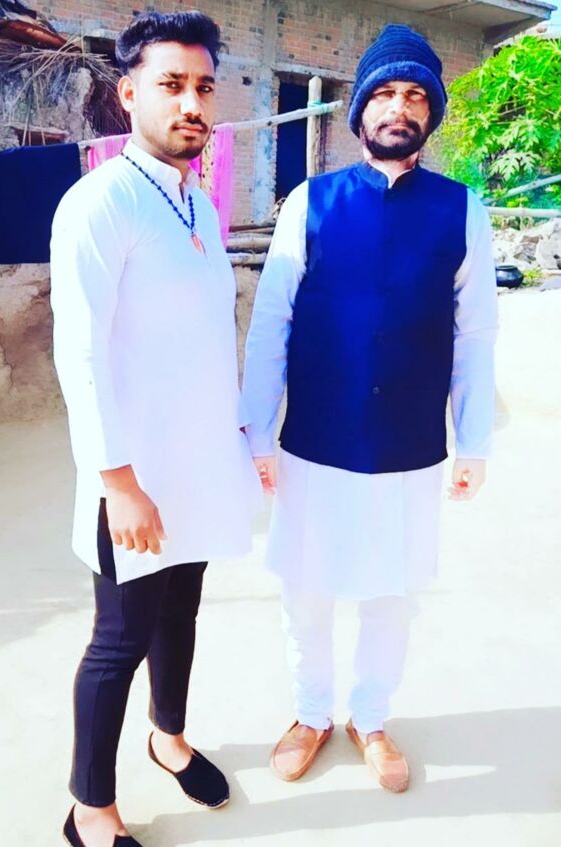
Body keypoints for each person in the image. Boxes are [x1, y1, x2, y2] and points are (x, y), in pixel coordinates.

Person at [242, 23, 498, 793]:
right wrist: (257, 429)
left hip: (409, 444)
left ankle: (371, 717)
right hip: (314, 438)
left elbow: (476, 335)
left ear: (430, 113)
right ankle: (310, 712)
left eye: (415, 95)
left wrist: (473, 442)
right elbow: (272, 321)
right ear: (359, 110)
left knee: (392, 590)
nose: (398, 107)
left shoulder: (462, 210)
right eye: (384, 93)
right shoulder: (310, 203)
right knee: (307, 586)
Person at [50, 11, 259, 846]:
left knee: (181, 614)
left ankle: (168, 738)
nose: (192, 103)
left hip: (197, 467)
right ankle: (90, 810)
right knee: (120, 639)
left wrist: (235, 443)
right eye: (171, 84)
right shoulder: (101, 203)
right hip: (133, 481)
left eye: (204, 86)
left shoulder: (196, 204)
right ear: (129, 92)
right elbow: (80, 354)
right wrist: (118, 483)